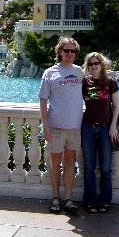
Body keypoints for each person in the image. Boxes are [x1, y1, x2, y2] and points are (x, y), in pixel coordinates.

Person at [39, 36, 83, 214]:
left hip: (75, 127)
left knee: (70, 163)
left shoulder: (80, 71)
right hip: (55, 127)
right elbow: (43, 99)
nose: (70, 54)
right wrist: (45, 126)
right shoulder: (50, 72)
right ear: (60, 52)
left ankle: (68, 198)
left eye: (73, 51)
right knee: (55, 162)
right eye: (67, 50)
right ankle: (55, 197)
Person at [81, 52, 119, 214]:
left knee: (105, 168)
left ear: (102, 64)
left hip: (105, 129)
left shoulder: (110, 83)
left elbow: (116, 107)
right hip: (88, 128)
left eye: (96, 63)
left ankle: (105, 201)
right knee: (89, 167)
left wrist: (113, 127)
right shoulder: (84, 82)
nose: (93, 66)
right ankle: (90, 201)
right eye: (90, 64)